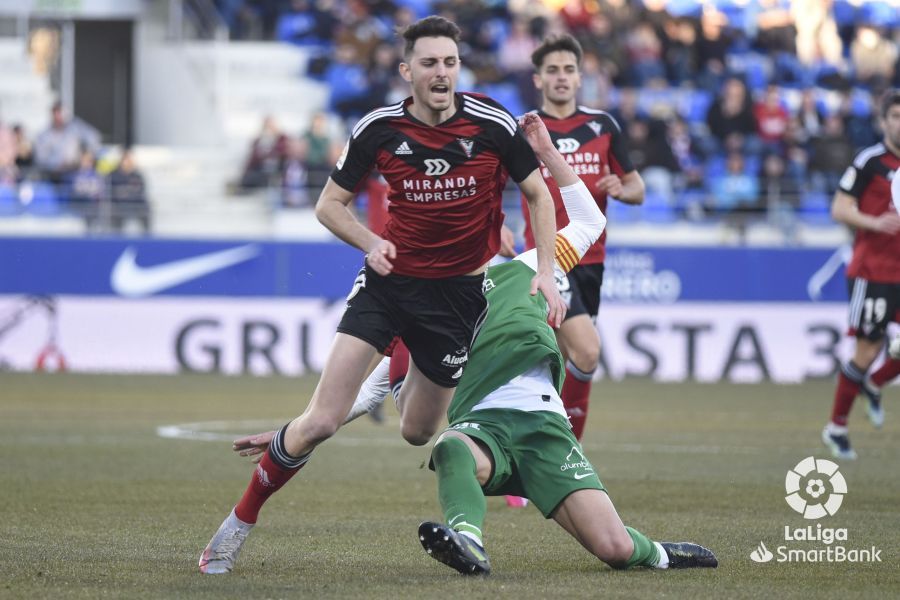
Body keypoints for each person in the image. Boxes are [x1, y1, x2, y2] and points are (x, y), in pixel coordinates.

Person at [232, 113, 717, 575]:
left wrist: (546, 151)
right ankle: (467, 540)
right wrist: (294, 429)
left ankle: (659, 554)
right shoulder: (425, 299)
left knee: (615, 549)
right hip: (484, 429)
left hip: (545, 427)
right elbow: (374, 387)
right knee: (451, 448)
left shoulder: (530, 267)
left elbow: (590, 223)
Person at [198, 15, 565, 574]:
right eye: (429, 63)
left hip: (459, 301)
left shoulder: (493, 124)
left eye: (449, 62)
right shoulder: (377, 128)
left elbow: (538, 195)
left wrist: (544, 271)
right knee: (321, 420)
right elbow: (328, 205)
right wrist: (371, 243)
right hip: (389, 287)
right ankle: (236, 526)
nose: (441, 72)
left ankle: (398, 369)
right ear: (406, 71)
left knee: (418, 433)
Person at [502, 34, 645, 447]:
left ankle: (530, 459)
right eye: (552, 71)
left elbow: (638, 190)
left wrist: (622, 187)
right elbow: (493, 185)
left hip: (592, 261)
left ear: (580, 78)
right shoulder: (526, 130)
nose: (561, 77)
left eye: (568, 69)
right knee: (587, 352)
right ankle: (570, 454)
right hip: (549, 259)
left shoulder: (602, 126)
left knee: (555, 370)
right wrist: (497, 223)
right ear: (538, 80)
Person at [822, 89, 900, 460]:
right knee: (866, 351)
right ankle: (837, 427)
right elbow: (839, 208)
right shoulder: (870, 161)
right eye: (896, 116)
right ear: (884, 121)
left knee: (882, 354)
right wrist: (874, 222)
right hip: (874, 271)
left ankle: (876, 382)